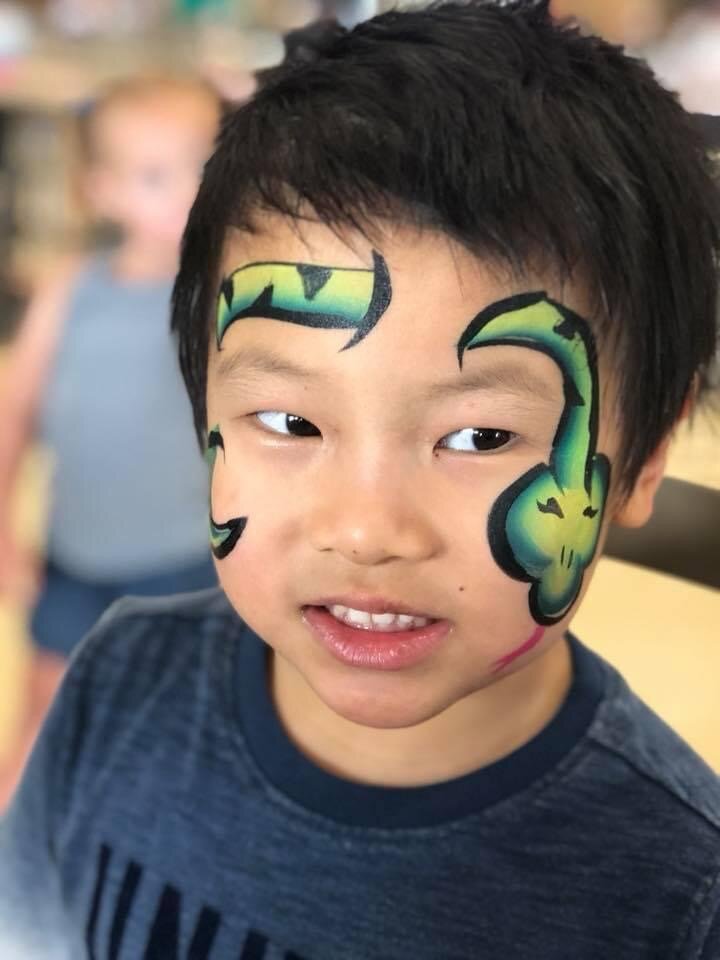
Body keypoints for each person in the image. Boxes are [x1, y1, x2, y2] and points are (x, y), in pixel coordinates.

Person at [1, 2, 719, 956]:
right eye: (290, 422)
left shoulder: (680, 899)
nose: (366, 529)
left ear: (645, 458)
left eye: (480, 436)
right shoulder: (112, 686)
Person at [0, 74, 220, 806]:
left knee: (179, 726)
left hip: (186, 564)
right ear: (103, 191)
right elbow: (13, 411)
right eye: (155, 176)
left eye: (202, 164)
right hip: (75, 557)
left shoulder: (220, 292)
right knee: (43, 715)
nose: (187, 191)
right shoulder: (71, 288)